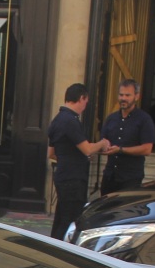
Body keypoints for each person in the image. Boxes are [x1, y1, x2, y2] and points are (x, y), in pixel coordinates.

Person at [47, 82, 112, 240]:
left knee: (61, 217)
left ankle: (53, 246)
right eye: (86, 102)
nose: (85, 106)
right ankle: (65, 252)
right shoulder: (70, 121)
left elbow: (51, 153)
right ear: (81, 98)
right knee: (71, 219)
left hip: (62, 175)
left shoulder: (56, 120)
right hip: (73, 179)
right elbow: (87, 149)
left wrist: (73, 157)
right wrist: (102, 143)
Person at [99, 79, 155, 195]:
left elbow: (147, 149)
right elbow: (103, 143)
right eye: (121, 95)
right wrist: (100, 148)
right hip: (109, 176)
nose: (123, 98)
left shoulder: (144, 119)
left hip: (131, 179)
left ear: (136, 96)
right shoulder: (111, 119)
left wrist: (120, 150)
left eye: (127, 95)